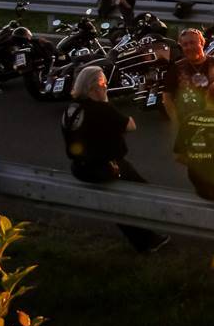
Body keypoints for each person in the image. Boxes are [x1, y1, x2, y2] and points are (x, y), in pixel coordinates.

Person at [61, 66, 169, 252]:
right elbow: (130, 125)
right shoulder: (101, 109)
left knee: (117, 203)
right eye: (103, 83)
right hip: (105, 167)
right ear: (93, 87)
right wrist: (106, 102)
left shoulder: (71, 109)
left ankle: (146, 240)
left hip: (80, 168)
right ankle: (152, 237)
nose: (106, 86)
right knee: (144, 192)